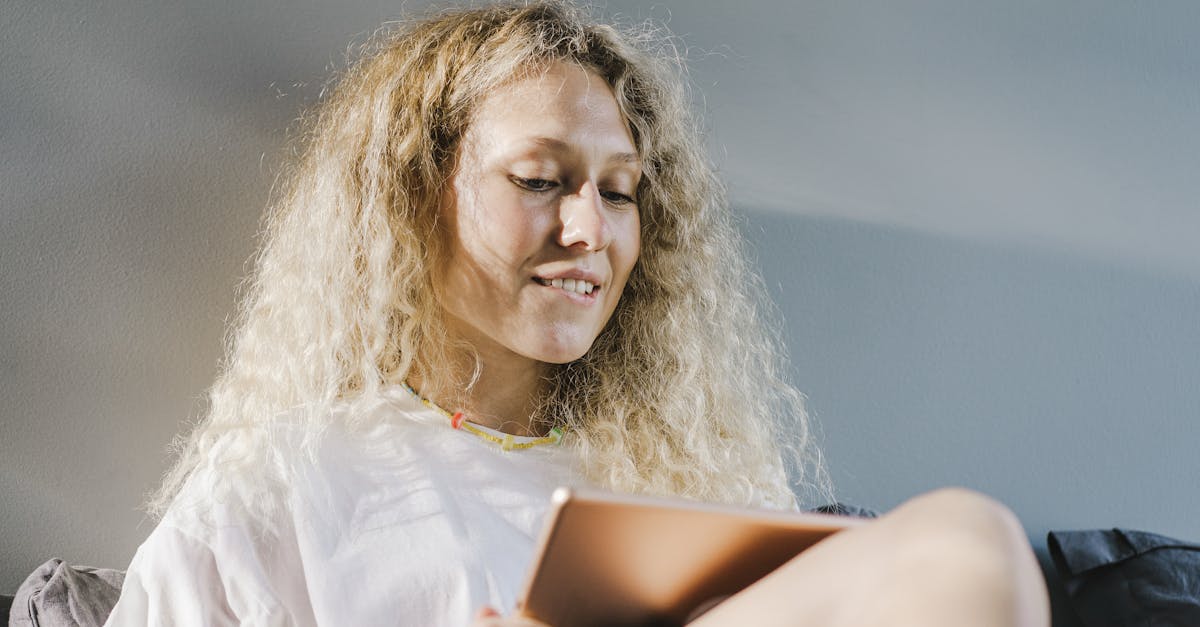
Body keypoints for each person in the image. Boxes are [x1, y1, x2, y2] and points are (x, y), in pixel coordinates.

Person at [105, 2, 1050, 626]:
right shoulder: (284, 486)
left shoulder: (692, 472)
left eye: (622, 190)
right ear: (410, 195)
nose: (590, 228)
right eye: (540, 179)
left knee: (965, 542)